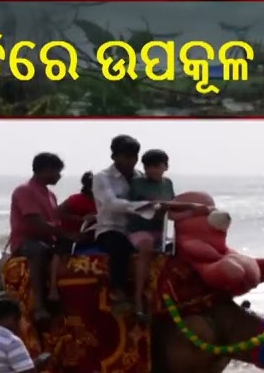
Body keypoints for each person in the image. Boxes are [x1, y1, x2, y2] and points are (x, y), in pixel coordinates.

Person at [10, 152, 65, 322]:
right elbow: (35, 221)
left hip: (48, 239)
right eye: (57, 171)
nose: (59, 176)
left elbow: (56, 220)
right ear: (46, 170)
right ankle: (39, 306)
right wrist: (63, 233)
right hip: (26, 241)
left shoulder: (50, 194)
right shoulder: (25, 190)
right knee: (38, 250)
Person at [92, 135, 144, 312]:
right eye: (126, 156)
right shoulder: (102, 177)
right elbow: (111, 203)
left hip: (135, 229)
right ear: (114, 156)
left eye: (134, 156)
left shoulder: (140, 177)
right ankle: (117, 290)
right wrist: (143, 206)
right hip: (110, 228)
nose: (131, 161)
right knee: (120, 246)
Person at [124, 149, 176, 322]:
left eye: (156, 166)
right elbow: (133, 207)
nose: (151, 170)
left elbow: (171, 206)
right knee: (146, 245)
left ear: (165, 166)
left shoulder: (168, 183)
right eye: (147, 167)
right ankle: (138, 299)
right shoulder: (137, 183)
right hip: (139, 229)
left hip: (160, 230)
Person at [49, 171, 98, 303]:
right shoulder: (76, 199)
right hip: (71, 234)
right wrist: (80, 219)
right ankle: (53, 289)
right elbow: (56, 213)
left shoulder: (102, 201)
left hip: (91, 235)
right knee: (60, 252)